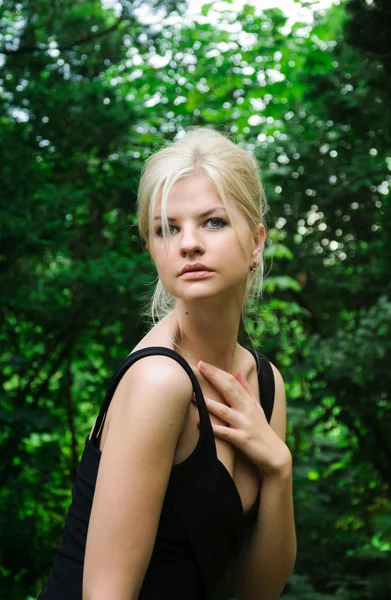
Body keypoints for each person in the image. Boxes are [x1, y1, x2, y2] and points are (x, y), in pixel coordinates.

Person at [37, 127, 296, 600]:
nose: (188, 244)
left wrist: (278, 469)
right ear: (153, 249)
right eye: (167, 229)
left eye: (213, 222)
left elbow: (258, 590)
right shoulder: (157, 380)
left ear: (256, 242)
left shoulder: (265, 384)